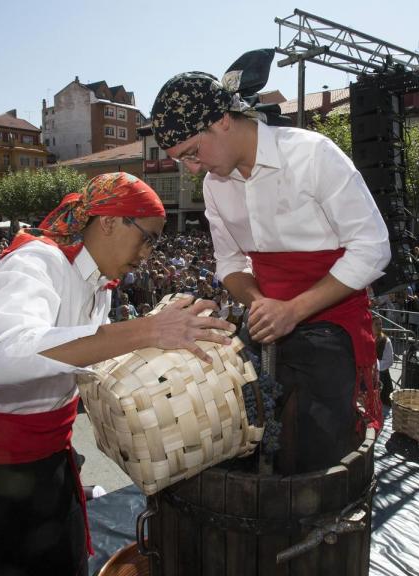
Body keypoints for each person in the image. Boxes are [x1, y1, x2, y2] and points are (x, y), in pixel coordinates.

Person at [0, 172, 233, 576]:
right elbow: (5, 358)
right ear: (109, 221)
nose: (149, 253)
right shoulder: (35, 261)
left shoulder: (101, 287)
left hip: (51, 466)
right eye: (147, 237)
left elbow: (87, 360)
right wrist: (146, 329)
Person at [151, 70, 390, 474]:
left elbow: (373, 247)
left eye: (192, 152)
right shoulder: (214, 185)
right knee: (241, 439)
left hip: (332, 326)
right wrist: (263, 305)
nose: (192, 169)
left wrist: (293, 310)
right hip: (266, 324)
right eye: (182, 160)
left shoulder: (313, 154)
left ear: (222, 120)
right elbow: (229, 263)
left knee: (318, 454)